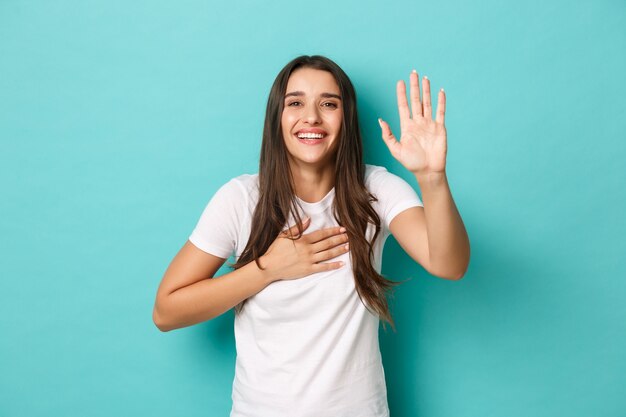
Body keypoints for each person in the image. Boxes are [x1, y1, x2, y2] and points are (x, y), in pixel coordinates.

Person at [152, 55, 470, 417]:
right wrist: (268, 269)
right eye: (296, 103)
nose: (312, 117)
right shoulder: (240, 199)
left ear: (345, 119)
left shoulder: (377, 189)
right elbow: (166, 311)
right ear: (277, 118)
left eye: (329, 104)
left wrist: (432, 177)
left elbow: (450, 264)